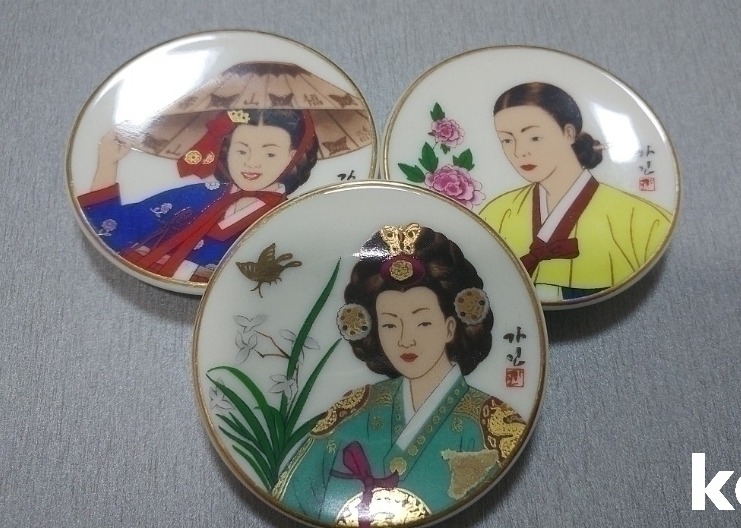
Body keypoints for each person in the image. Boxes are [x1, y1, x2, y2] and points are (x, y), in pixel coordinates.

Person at [273, 224, 525, 526]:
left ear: (450, 327)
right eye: (390, 325)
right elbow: (294, 496)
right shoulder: (354, 409)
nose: (406, 340)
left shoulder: (492, 424)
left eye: (423, 323)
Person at [478, 82, 673, 301]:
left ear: (569, 133)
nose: (519, 151)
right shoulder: (496, 213)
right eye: (507, 140)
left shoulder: (642, 219)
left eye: (534, 137)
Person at [78, 108, 318, 283]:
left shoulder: (289, 219)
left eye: (270, 154)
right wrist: (108, 162)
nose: (251, 163)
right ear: (226, 150)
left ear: (293, 157)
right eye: (241, 150)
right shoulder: (196, 195)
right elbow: (115, 225)